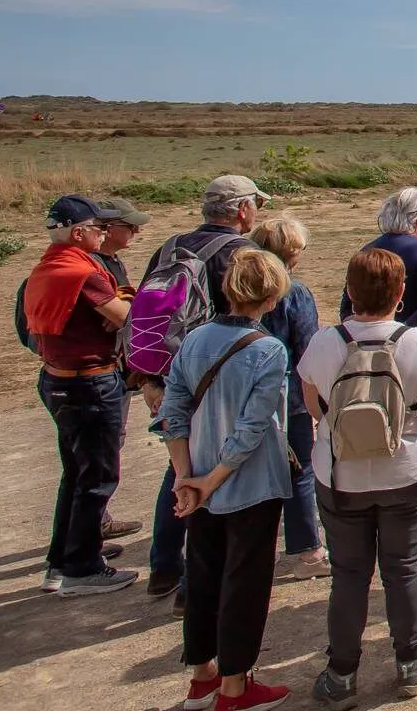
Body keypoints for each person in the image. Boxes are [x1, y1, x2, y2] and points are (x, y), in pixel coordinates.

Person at [300, 246, 417, 708]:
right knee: (403, 569)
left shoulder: (324, 343)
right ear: (401, 293)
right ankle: (410, 660)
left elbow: (313, 408)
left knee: (348, 574)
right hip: (404, 471)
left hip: (340, 475)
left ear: (349, 291)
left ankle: (342, 672)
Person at [154, 248, 294, 711]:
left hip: (197, 476)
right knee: (245, 583)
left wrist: (184, 476)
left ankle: (201, 674)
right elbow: (252, 429)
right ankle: (235, 686)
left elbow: (172, 409)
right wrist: (209, 480)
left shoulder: (194, 339)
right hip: (248, 483)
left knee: (203, 572)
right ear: (271, 296)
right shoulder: (269, 350)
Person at [141, 175, 266, 607]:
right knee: (222, 472)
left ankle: (163, 567)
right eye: (255, 205)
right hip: (225, 378)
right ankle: (196, 583)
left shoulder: (171, 247)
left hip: (175, 374)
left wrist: (148, 380)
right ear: (242, 210)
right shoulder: (243, 254)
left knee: (180, 468)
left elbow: (146, 319)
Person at [339, 187, 417, 543]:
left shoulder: (367, 251)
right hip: (416, 351)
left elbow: (345, 308)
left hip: (364, 350)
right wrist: (401, 335)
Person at [27, 195, 136, 595]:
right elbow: (126, 319)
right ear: (79, 232)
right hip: (89, 380)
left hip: (57, 376)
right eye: (98, 228)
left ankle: (63, 559)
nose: (102, 234)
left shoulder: (47, 266)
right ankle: (83, 569)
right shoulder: (82, 271)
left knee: (75, 474)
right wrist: (126, 306)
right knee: (98, 477)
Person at [248, 214, 329, 580]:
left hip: (246, 393)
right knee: (300, 470)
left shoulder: (238, 284)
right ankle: (307, 549)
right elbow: (308, 346)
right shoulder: (295, 292)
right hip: (290, 395)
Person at [92, 197, 150, 542]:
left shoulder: (109, 262)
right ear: (107, 228)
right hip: (102, 370)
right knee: (101, 449)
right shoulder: (93, 267)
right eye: (129, 226)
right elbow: (120, 318)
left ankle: (96, 520)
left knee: (109, 445)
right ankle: (91, 527)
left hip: (112, 367)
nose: (136, 232)